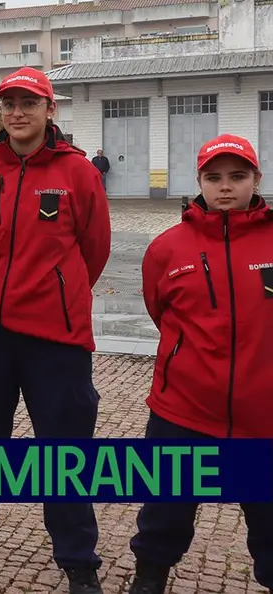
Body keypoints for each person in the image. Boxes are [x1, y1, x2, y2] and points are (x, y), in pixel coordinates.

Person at [0, 67, 112, 593]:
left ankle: (78, 561)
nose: (17, 112)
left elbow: (94, 250)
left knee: (63, 451)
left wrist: (56, 290)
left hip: (55, 336)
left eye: (28, 103)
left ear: (49, 109)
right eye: (9, 102)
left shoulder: (79, 174)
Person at [127, 134, 272, 594]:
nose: (225, 188)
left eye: (237, 177)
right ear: (199, 183)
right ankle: (150, 578)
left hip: (263, 413)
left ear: (256, 179)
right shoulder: (168, 248)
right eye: (214, 178)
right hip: (183, 411)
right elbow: (159, 312)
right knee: (164, 511)